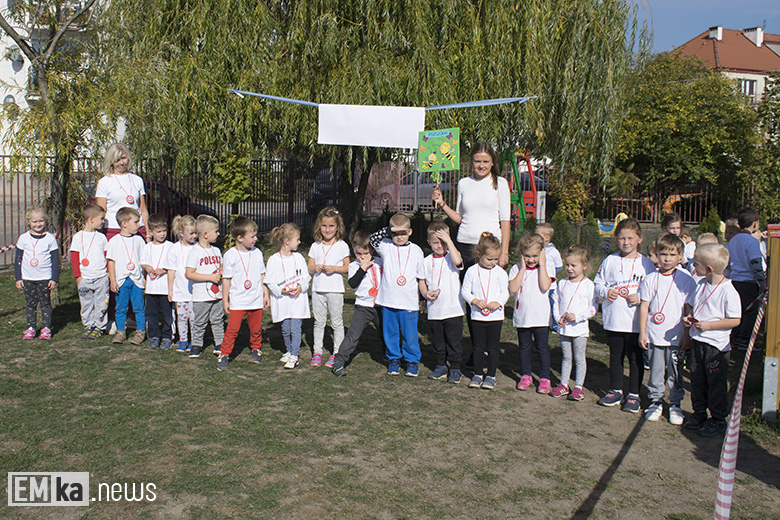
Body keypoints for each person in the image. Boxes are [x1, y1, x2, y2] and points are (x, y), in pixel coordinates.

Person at [594, 218, 655, 412]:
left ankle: (634, 395)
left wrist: (641, 297)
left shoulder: (647, 264)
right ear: (616, 239)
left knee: (635, 358)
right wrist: (605, 292)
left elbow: (654, 289)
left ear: (640, 239)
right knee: (615, 356)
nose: (626, 242)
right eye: (621, 238)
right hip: (614, 321)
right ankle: (615, 390)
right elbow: (598, 283)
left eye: (630, 238)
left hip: (636, 323)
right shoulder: (610, 260)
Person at [638, 234, 697, 425]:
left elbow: (689, 309)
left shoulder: (686, 280)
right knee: (655, 371)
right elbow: (644, 307)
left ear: (680, 256)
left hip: (676, 337)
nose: (667, 258)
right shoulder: (650, 279)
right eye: (663, 254)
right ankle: (655, 401)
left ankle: (675, 404)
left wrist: (687, 335)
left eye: (672, 254)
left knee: (676, 373)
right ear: (656, 254)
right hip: (655, 335)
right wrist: (642, 332)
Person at [683, 243, 741, 437]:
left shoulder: (728, 291)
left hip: (716, 346)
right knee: (697, 379)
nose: (693, 267)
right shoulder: (700, 284)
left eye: (696, 263)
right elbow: (691, 305)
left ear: (709, 268)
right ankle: (699, 412)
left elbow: (734, 320)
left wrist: (709, 325)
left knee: (715, 382)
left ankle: (717, 419)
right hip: (698, 341)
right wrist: (688, 318)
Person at [432, 143, 511, 270]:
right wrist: (442, 204)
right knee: (466, 287)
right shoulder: (463, 183)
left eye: (486, 161)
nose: (481, 165)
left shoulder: (500, 183)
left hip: (489, 247)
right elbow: (460, 218)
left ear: (492, 163)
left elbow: (505, 221)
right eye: (477, 161)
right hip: (464, 244)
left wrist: (504, 252)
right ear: (472, 162)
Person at [370, 213, 426, 377]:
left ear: (410, 232)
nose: (399, 237)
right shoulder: (386, 246)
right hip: (388, 299)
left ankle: (412, 361)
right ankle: (394, 358)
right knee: (390, 332)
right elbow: (373, 239)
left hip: (408, 302)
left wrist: (422, 298)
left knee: (410, 334)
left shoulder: (416, 250)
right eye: (395, 233)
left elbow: (421, 276)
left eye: (403, 233)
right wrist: (390, 229)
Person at [218, 217, 268, 371]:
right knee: (232, 329)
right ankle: (225, 354)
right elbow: (226, 279)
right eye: (252, 236)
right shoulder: (230, 255)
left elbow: (261, 274)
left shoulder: (257, 253)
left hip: (255, 298)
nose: (256, 239)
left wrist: (265, 293)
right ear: (239, 238)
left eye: (255, 235)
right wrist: (225, 300)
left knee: (256, 328)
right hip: (238, 300)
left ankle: (256, 349)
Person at [332, 230, 384, 377]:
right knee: (353, 335)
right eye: (358, 253)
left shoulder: (380, 262)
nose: (362, 257)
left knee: (385, 333)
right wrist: (363, 267)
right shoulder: (355, 266)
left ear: (372, 250)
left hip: (380, 305)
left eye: (365, 254)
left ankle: (392, 357)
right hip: (363, 307)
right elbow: (353, 283)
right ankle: (339, 360)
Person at [509, 233, 556, 393]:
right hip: (523, 317)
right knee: (524, 347)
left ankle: (544, 378)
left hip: (541, 318)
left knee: (542, 347)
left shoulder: (547, 268)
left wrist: (542, 264)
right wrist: (522, 268)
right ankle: (526, 375)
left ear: (542, 253)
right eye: (527, 256)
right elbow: (513, 288)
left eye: (535, 256)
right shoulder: (516, 269)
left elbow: (544, 286)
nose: (531, 260)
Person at [419, 221, 465, 384]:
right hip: (435, 310)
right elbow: (422, 281)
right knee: (437, 340)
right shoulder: (425, 261)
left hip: (453, 309)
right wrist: (424, 294)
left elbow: (459, 262)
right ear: (429, 242)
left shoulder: (452, 256)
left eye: (443, 242)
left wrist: (449, 241)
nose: (439, 246)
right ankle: (440, 365)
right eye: (435, 242)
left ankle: (455, 367)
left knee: (454, 341)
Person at [461, 233, 509, 389]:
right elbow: (465, 291)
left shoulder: (500, 272)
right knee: (478, 347)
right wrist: (474, 301)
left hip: (495, 317)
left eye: (496, 259)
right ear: (479, 254)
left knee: (493, 348)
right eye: (490, 259)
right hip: (477, 316)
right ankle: (477, 374)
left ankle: (491, 376)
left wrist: (499, 302)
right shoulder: (472, 271)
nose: (493, 262)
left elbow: (505, 292)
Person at [551, 245, 597, 401]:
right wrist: (557, 317)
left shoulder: (589, 285)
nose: (569, 268)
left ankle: (578, 387)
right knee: (566, 357)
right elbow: (555, 301)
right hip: (564, 329)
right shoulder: (562, 283)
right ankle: (564, 384)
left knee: (579, 358)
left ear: (584, 265)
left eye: (573, 265)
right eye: (567, 265)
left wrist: (577, 317)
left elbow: (593, 308)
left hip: (580, 330)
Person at [308, 206, 350, 368]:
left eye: (331, 226)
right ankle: (317, 352)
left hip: (335, 290)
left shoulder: (342, 246)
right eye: (324, 226)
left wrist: (335, 269)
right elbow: (309, 267)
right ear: (319, 226)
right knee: (319, 322)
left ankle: (336, 353)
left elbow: (347, 267)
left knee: (337, 323)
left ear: (337, 227)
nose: (327, 229)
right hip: (318, 289)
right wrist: (315, 268)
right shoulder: (315, 246)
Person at [264, 223, 311, 369]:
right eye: (297, 239)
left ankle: (295, 355)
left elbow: (306, 277)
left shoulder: (299, 258)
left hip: (297, 300)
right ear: (287, 241)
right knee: (285, 327)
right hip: (283, 301)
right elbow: (269, 281)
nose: (300, 242)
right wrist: (280, 290)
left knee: (295, 328)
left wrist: (301, 287)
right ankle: (289, 350)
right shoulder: (273, 260)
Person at [14, 205, 60, 340]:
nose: (38, 224)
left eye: (41, 221)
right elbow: (18, 259)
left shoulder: (50, 238)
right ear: (29, 222)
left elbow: (55, 260)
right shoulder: (23, 238)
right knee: (30, 304)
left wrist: (54, 278)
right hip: (28, 278)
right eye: (34, 221)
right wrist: (18, 278)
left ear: (45, 221)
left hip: (45, 278)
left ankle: (46, 328)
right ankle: (31, 328)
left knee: (45, 304)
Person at [725, 207, 766, 351]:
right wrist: (762, 282)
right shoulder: (752, 241)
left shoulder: (734, 240)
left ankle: (735, 337)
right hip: (749, 281)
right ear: (755, 224)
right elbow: (755, 263)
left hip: (735, 280)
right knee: (750, 312)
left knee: (738, 310)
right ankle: (744, 340)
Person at [185, 215, 224, 358]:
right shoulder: (195, 252)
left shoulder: (217, 251)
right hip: (201, 295)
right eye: (216, 231)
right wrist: (209, 277)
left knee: (218, 319)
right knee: (200, 321)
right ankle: (196, 345)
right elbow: (189, 273)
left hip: (217, 294)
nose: (218, 234)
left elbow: (220, 266)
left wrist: (221, 271)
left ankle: (219, 343)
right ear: (205, 234)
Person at [107, 207, 146, 345]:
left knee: (139, 307)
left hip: (136, 279)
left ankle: (141, 331)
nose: (138, 225)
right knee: (121, 307)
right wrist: (112, 280)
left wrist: (144, 278)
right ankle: (121, 332)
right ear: (124, 223)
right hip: (121, 280)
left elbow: (143, 261)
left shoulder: (139, 240)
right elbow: (111, 262)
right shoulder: (114, 241)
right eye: (135, 222)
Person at [70, 203, 109, 339]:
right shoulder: (78, 237)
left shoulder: (101, 237)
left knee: (101, 302)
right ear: (91, 219)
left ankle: (100, 326)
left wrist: (108, 272)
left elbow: (106, 255)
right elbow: (74, 256)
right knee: (86, 303)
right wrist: (78, 276)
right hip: (85, 277)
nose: (103, 221)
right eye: (102, 219)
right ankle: (88, 325)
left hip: (101, 276)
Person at [95, 143, 149, 241]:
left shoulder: (137, 180)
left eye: (123, 158)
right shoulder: (104, 182)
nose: (121, 163)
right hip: (113, 229)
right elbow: (101, 211)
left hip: (137, 229)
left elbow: (143, 209)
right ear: (111, 162)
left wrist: (148, 234)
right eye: (117, 160)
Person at [141, 214, 174, 349]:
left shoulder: (170, 246)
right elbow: (143, 262)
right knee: (151, 314)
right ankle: (154, 335)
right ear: (151, 232)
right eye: (158, 232)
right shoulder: (147, 247)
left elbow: (173, 265)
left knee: (167, 314)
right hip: (152, 288)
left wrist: (164, 270)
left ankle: (167, 336)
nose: (162, 234)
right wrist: (148, 267)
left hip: (165, 287)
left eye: (164, 231)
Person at [167, 215, 197, 353]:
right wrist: (170, 290)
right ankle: (183, 339)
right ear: (181, 233)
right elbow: (171, 271)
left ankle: (194, 340)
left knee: (193, 317)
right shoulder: (174, 249)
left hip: (194, 291)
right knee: (181, 316)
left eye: (196, 232)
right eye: (191, 233)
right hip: (180, 290)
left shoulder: (198, 248)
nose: (194, 236)